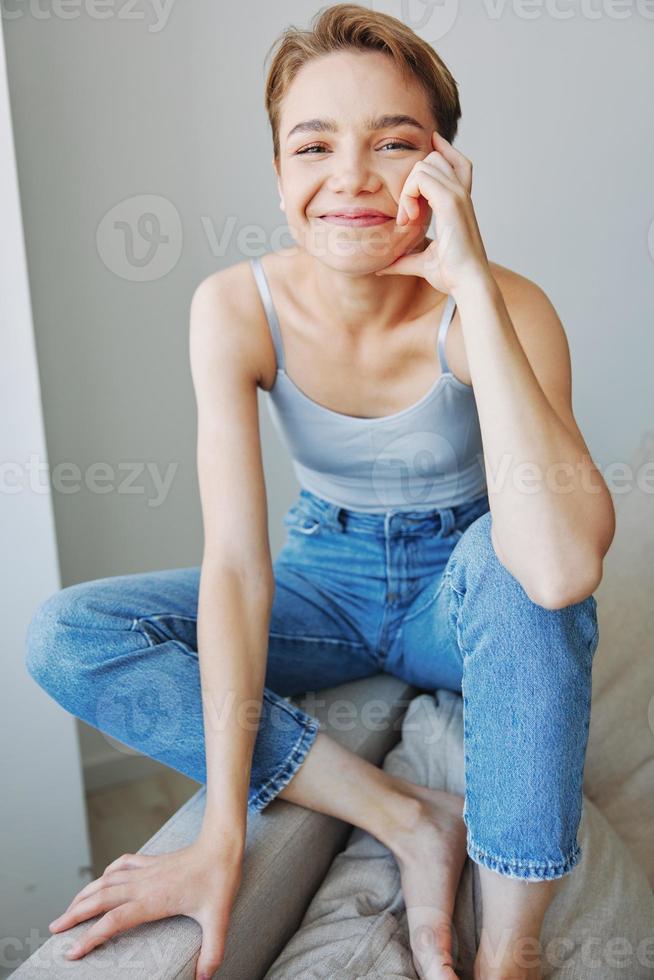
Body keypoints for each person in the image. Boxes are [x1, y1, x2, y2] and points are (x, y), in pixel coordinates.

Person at [25, 4, 615, 979]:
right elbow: (237, 567)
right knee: (67, 631)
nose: (351, 176)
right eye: (313, 145)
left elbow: (556, 567)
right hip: (325, 580)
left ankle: (512, 951)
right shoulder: (232, 307)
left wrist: (470, 282)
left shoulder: (503, 305)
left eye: (395, 142)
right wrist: (222, 832)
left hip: (456, 588)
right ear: (277, 174)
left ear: (447, 168)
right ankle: (407, 815)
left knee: (515, 558)